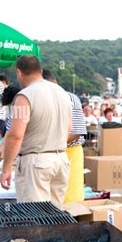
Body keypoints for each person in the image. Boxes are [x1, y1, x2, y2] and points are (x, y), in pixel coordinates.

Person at [0, 56, 71, 208]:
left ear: (19, 73)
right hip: (61, 160)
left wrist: (6, 168)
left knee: (35, 219)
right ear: (40, 70)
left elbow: (15, 136)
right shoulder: (63, 93)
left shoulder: (25, 95)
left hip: (36, 162)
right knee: (56, 218)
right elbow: (69, 129)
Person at [42, 69, 87, 204]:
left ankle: (71, 223)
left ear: (54, 82)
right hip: (47, 153)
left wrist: (51, 144)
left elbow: (75, 132)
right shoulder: (40, 98)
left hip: (70, 151)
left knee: (70, 195)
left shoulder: (71, 98)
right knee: (49, 195)